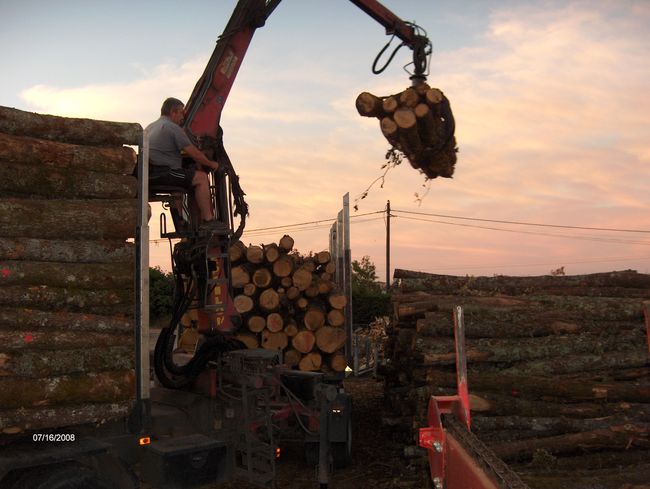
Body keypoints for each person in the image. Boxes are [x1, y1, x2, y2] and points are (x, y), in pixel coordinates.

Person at [147, 97, 220, 229]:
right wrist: (211, 164)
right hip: (164, 173)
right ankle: (209, 220)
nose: (183, 117)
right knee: (201, 178)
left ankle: (180, 221)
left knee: (180, 180)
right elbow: (194, 153)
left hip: (151, 174)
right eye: (181, 113)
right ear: (173, 112)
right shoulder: (172, 128)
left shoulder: (150, 127)